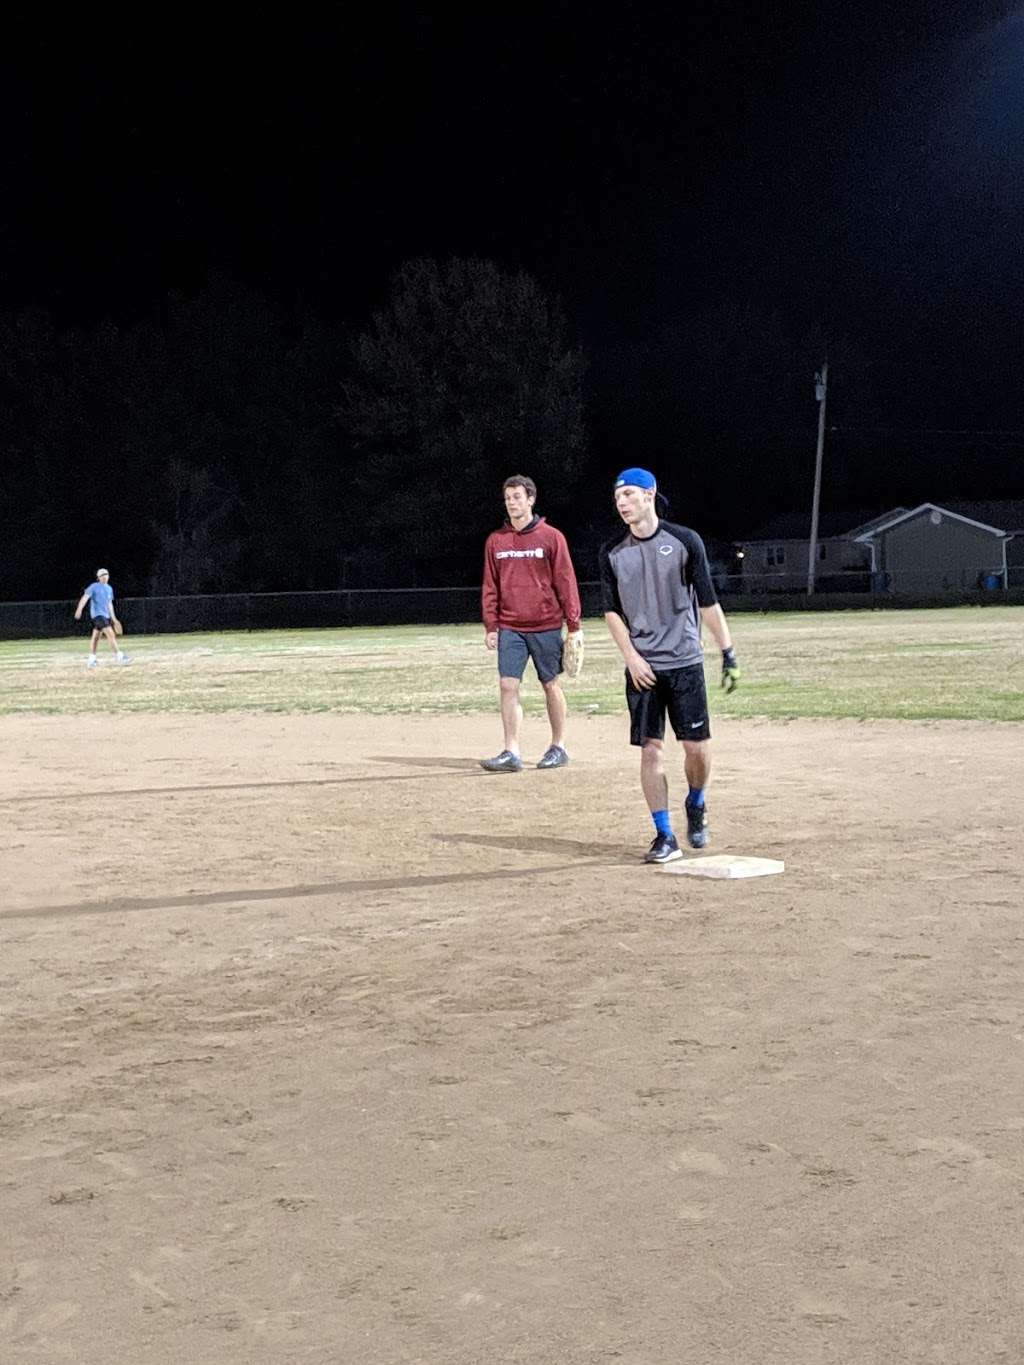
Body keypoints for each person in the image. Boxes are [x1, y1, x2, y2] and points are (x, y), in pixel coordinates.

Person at [599, 468, 740, 862]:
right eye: (617, 498)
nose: (622, 503)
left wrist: (727, 653)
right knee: (651, 751)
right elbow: (611, 611)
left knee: (696, 748)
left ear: (650, 494)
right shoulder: (612, 551)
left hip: (685, 662)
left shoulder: (683, 541)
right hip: (643, 666)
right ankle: (664, 835)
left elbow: (708, 602)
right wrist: (631, 657)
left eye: (628, 494)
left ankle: (696, 801)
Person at [480, 474, 583, 772]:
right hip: (510, 625)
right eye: (508, 498)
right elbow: (491, 586)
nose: (512, 502)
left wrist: (574, 624)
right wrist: (491, 625)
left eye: (517, 497)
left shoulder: (551, 537)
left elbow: (566, 581)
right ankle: (511, 751)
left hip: (546, 624)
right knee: (507, 685)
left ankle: (558, 746)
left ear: (531, 499)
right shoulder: (496, 541)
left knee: (550, 684)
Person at [74, 568, 131, 667]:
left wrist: (113, 618)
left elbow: (109, 604)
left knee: (95, 637)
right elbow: (85, 598)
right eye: (102, 575)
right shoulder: (94, 586)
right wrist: (79, 609)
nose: (105, 576)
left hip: (105, 615)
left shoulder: (109, 588)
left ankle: (91, 660)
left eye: (106, 574)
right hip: (97, 615)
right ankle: (120, 656)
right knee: (110, 634)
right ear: (98, 577)